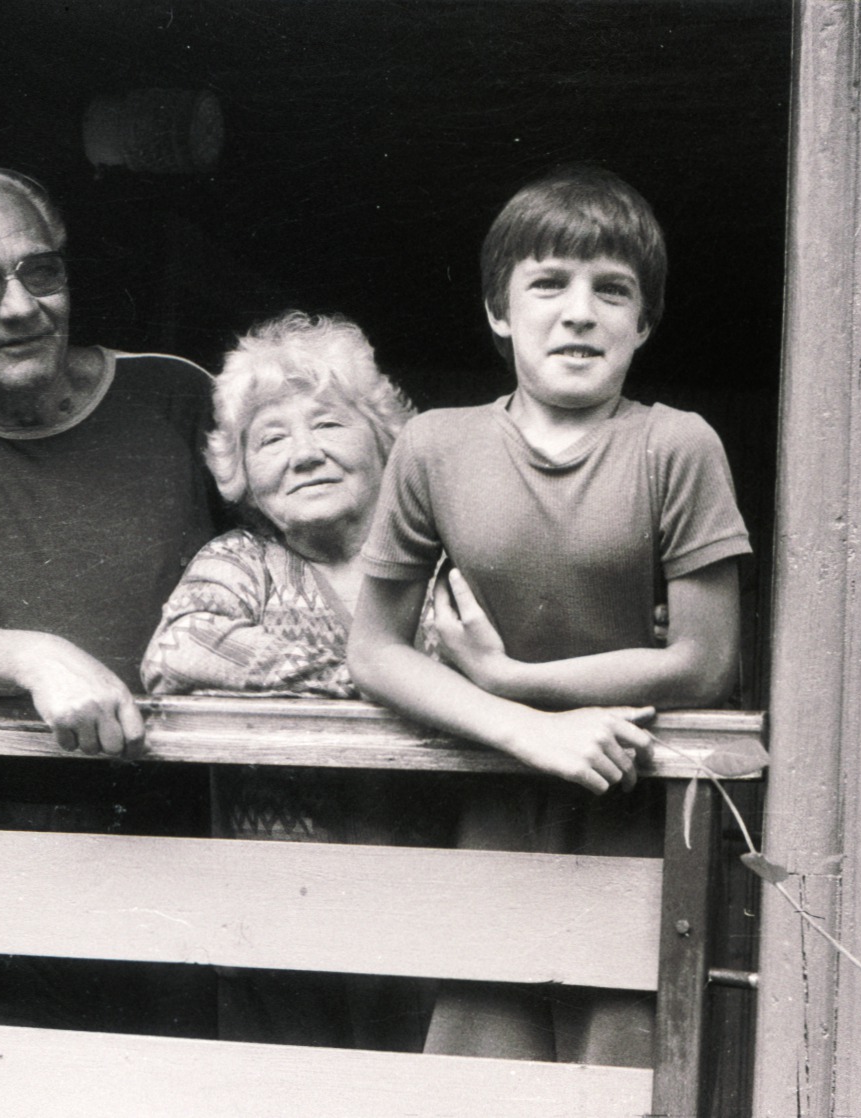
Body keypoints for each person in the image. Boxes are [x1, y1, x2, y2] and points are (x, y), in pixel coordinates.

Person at [347, 164, 752, 1067]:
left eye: (613, 291)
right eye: (549, 284)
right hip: (495, 798)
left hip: (635, 800)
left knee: (626, 1061)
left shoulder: (676, 445)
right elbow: (372, 651)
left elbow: (705, 660)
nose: (580, 312)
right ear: (500, 310)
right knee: (481, 1066)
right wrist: (520, 727)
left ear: (642, 323)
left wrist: (515, 679)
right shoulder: (434, 446)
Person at [0, 166, 215, 1033]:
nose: (23, 306)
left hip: (195, 830)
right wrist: (35, 654)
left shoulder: (175, 396)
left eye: (42, 272)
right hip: (2, 845)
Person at [142, 309, 440, 1050]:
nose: (303, 454)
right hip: (278, 928)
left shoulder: (447, 566)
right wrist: (386, 675)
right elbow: (179, 648)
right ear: (240, 473)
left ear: (384, 439)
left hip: (436, 919)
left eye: (330, 426)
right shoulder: (242, 561)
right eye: (271, 438)